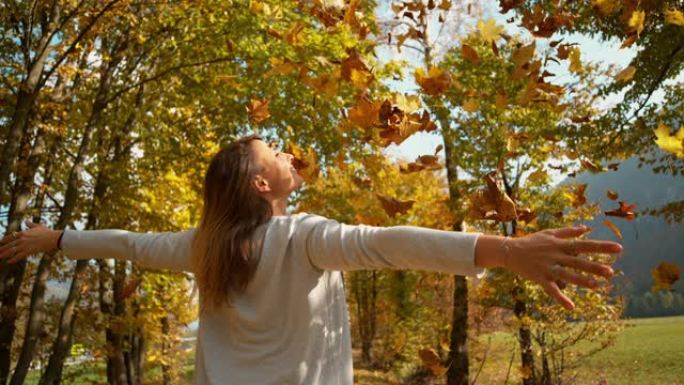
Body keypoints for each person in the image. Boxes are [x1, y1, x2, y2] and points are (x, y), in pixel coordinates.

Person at [0, 135, 622, 385]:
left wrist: (54, 239)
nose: (287, 155)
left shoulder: (202, 246)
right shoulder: (302, 238)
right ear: (260, 186)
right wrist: (508, 251)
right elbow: (390, 242)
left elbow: (127, 243)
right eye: (273, 152)